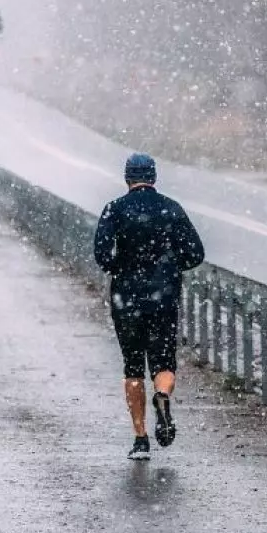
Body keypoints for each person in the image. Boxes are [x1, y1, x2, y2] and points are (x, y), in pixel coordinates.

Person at [94, 153, 205, 460]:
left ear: (127, 178)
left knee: (132, 366)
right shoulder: (171, 208)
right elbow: (196, 253)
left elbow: (102, 254)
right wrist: (170, 268)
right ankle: (162, 395)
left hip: (127, 299)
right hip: (164, 297)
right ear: (153, 177)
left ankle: (141, 439)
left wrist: (121, 269)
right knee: (164, 362)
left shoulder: (114, 209)